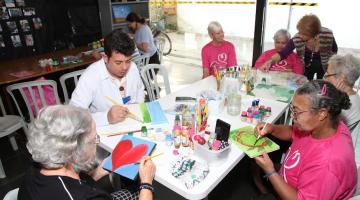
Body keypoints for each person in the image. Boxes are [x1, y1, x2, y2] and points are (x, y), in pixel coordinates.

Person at [18, 105, 156, 200]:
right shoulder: (85, 197)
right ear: (75, 148)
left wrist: (100, 171)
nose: (96, 143)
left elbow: (72, 182)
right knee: (140, 190)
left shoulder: (34, 170)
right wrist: (146, 182)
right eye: (94, 139)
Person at [254, 80, 356, 199]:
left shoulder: (328, 164)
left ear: (322, 113)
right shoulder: (328, 126)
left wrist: (271, 172)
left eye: (297, 112)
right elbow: (293, 131)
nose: (292, 116)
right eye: (293, 110)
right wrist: (272, 129)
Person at [70, 29, 144, 126]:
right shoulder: (91, 76)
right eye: (118, 62)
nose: (125, 67)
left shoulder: (133, 67)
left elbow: (140, 90)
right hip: (105, 129)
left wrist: (137, 106)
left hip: (132, 124)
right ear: (105, 58)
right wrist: (106, 117)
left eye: (128, 61)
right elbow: (74, 116)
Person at [260, 14, 338, 80]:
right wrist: (269, 61)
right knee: (306, 87)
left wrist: (331, 68)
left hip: (324, 66)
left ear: (312, 34)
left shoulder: (327, 35)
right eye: (299, 31)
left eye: (302, 33)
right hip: (307, 66)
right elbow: (282, 53)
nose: (299, 35)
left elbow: (334, 50)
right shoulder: (297, 38)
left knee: (322, 86)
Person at [324, 54, 360, 131]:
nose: (325, 76)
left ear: (341, 78)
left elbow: (324, 126)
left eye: (328, 74)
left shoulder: (344, 105)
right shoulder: (354, 97)